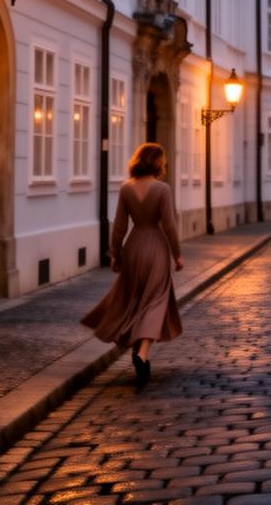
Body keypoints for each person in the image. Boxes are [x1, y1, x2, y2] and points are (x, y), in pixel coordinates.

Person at [81, 142, 183, 387]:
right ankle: (142, 354)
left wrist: (115, 253)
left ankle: (136, 350)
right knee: (155, 301)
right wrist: (177, 254)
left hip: (134, 246)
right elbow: (169, 225)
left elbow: (119, 226)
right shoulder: (162, 190)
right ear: (158, 163)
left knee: (136, 298)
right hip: (156, 248)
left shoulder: (126, 189)